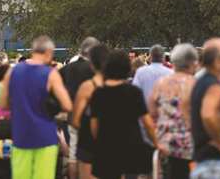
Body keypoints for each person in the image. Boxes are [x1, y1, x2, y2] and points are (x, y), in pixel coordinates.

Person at [0, 35, 73, 179]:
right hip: (45, 136)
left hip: (21, 136)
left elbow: (3, 104)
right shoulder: (51, 74)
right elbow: (67, 105)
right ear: (48, 52)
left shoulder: (12, 72)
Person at [89, 49, 165, 179]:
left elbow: (94, 127)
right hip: (131, 147)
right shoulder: (134, 92)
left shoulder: (98, 94)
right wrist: (157, 144)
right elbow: (147, 123)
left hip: (106, 146)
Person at [149, 43, 199, 179]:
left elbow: (152, 112)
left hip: (164, 142)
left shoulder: (160, 83)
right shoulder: (195, 84)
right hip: (188, 144)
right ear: (191, 62)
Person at [190, 38, 220, 179]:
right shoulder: (214, 86)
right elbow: (208, 115)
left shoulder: (200, 82)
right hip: (214, 161)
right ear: (217, 60)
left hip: (203, 158)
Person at [59, 36, 100, 179]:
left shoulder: (66, 69)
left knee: (73, 156)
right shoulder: (95, 70)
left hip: (71, 117)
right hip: (90, 118)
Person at [72, 44, 110, 179]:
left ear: (92, 64)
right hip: (113, 143)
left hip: (88, 143)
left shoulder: (87, 87)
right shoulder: (119, 85)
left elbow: (75, 120)